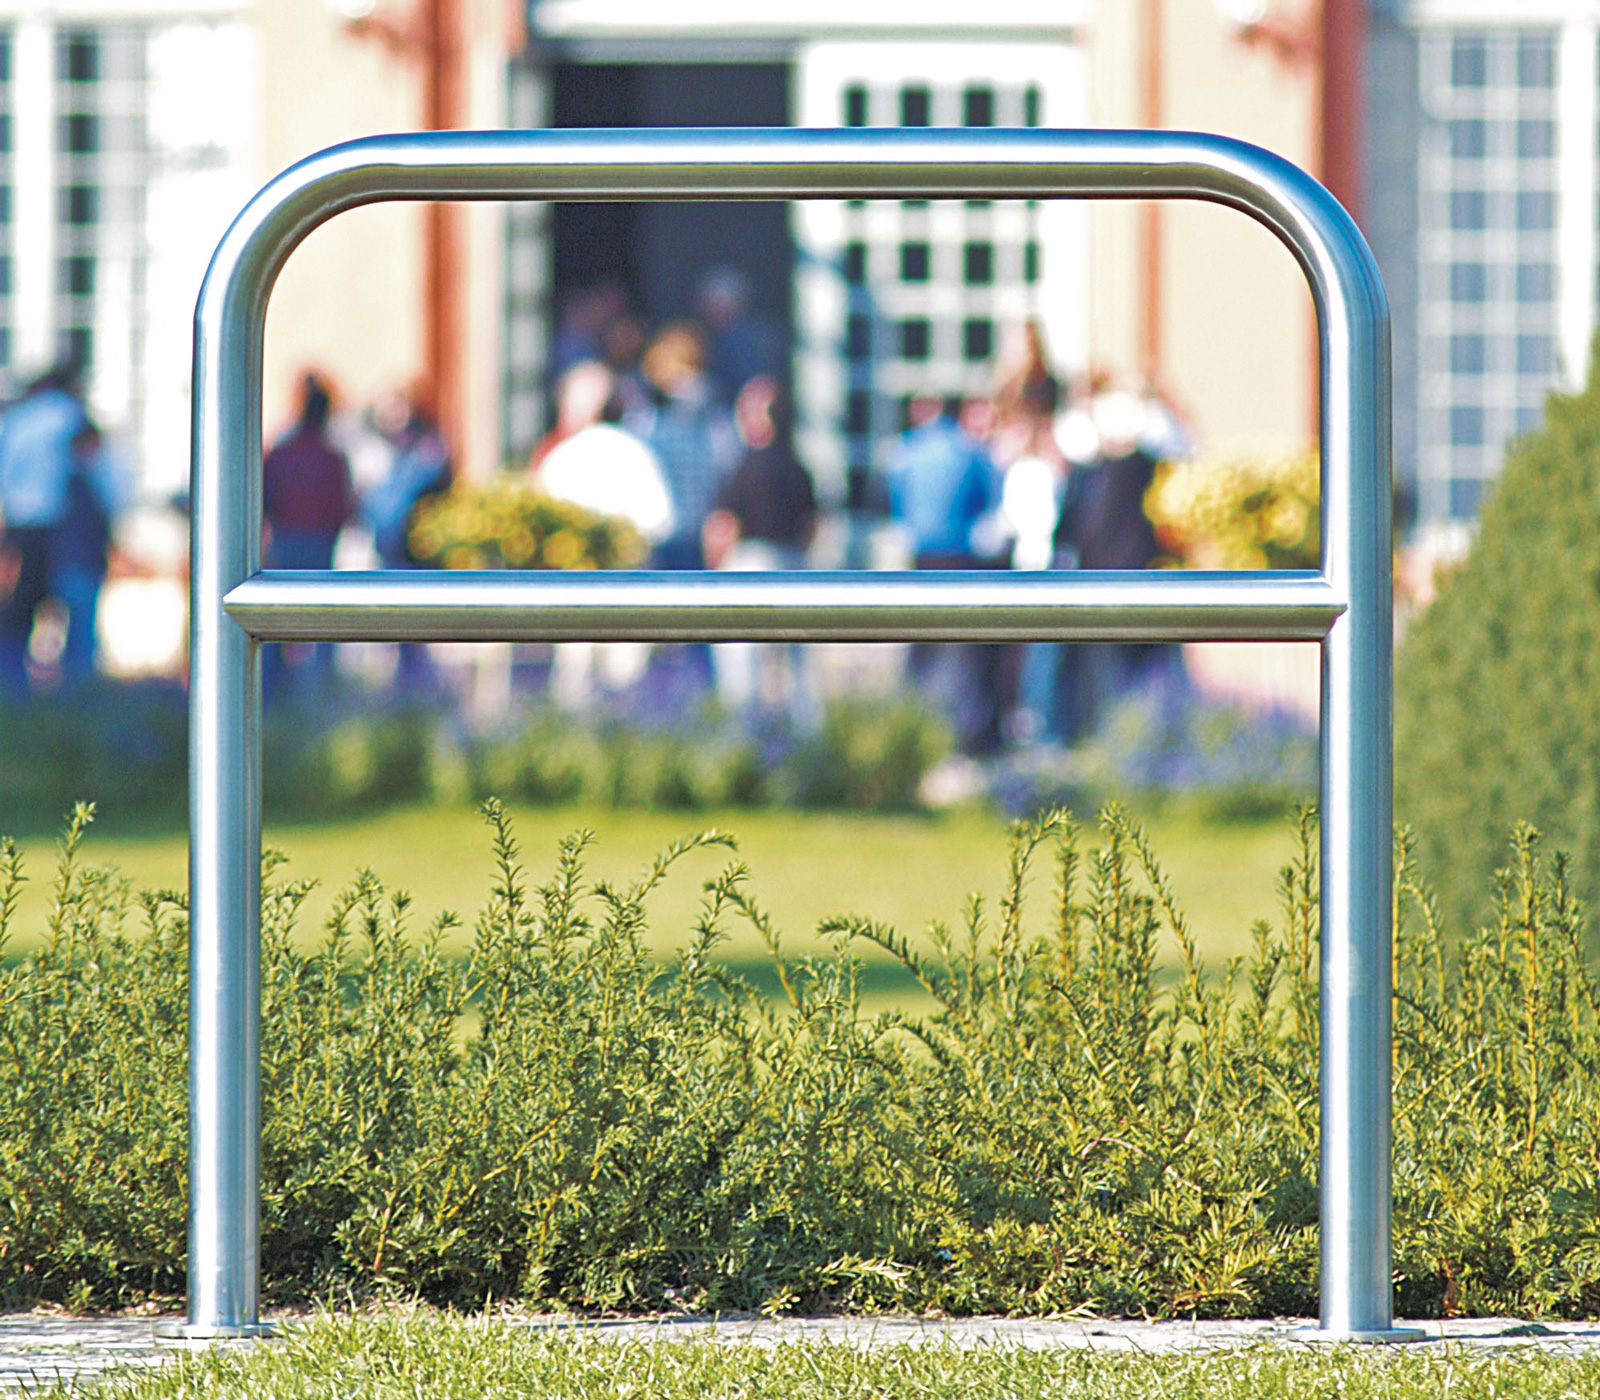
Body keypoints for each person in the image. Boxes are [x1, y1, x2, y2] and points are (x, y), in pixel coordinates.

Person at [887, 395, 1007, 755]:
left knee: (919, 646)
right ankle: (968, 737)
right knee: (966, 648)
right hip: (960, 556)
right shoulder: (970, 453)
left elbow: (895, 501)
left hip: (922, 556)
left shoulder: (906, 451)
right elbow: (990, 502)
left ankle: (907, 727)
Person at [702, 376, 817, 721]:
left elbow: (723, 526)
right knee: (796, 660)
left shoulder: (744, 467)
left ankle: (743, 732)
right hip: (792, 563)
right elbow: (812, 525)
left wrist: (713, 572)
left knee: (741, 658)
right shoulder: (799, 467)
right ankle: (804, 731)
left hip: (748, 564)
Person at [262, 371, 354, 696]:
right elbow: (343, 507)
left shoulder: (284, 451)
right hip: (318, 546)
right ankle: (317, 692)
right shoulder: (331, 457)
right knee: (323, 622)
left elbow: (265, 498)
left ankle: (275, 692)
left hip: (287, 543)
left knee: (274, 622)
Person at [0, 361, 89, 696]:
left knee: (16, 614)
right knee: (71, 607)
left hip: (22, 527)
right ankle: (74, 688)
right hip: (59, 527)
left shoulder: (19, 420)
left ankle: (13, 686)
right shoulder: (67, 414)